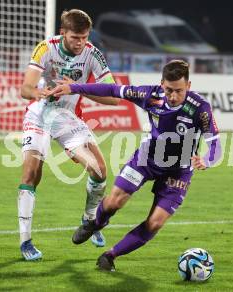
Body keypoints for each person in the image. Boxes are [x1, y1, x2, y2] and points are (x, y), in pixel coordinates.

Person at [51, 60, 222, 271]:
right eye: (169, 90)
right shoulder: (151, 95)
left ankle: (110, 255)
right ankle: (96, 223)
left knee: (155, 222)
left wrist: (207, 159)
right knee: (114, 202)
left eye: (179, 90)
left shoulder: (200, 109)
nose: (173, 96)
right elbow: (113, 90)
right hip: (146, 160)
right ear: (161, 84)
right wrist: (74, 87)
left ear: (188, 85)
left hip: (179, 171)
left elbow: (216, 146)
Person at [18, 9, 119, 261]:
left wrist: (76, 88)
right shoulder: (46, 47)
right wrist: (41, 93)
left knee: (99, 171)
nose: (80, 43)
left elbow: (113, 94)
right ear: (63, 33)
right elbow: (25, 88)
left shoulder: (92, 53)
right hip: (40, 114)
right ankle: (25, 241)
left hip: (67, 119)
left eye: (84, 37)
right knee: (31, 173)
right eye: (75, 37)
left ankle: (89, 221)